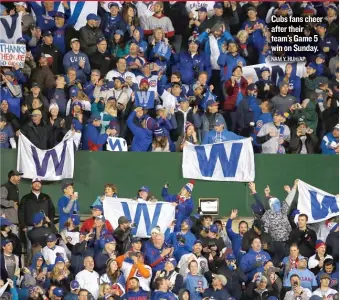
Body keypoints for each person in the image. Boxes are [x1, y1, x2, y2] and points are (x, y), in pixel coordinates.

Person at [19, 178, 55, 250]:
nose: (37, 184)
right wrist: (23, 225)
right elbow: (21, 212)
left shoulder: (46, 197)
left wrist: (49, 222)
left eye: (39, 183)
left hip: (44, 227)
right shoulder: (25, 198)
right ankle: (30, 261)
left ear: (41, 185)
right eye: (35, 183)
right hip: (30, 227)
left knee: (45, 247)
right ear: (31, 185)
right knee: (30, 247)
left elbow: (51, 211)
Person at [0, 170, 22, 235]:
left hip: (14, 220)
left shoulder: (15, 187)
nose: (19, 178)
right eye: (17, 176)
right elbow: (0, 200)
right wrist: (12, 203)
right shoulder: (5, 187)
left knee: (14, 240)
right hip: (7, 221)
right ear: (12, 177)